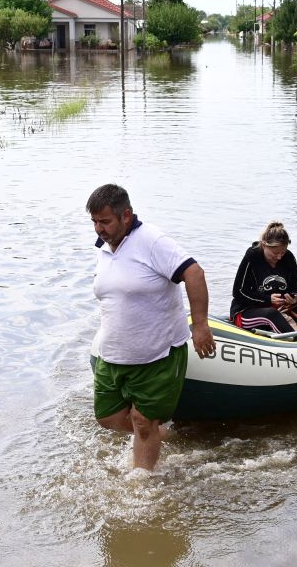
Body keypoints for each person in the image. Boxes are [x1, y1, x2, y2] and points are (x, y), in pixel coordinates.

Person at [87, 184, 214, 471]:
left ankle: (142, 486)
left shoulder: (152, 241)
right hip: (114, 355)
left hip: (157, 354)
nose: (99, 229)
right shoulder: (105, 249)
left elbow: (194, 273)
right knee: (106, 417)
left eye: (105, 221)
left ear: (126, 216)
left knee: (143, 422)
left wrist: (201, 325)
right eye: (94, 222)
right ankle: (157, 434)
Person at [229, 221, 297, 333]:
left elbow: (296, 288)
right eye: (275, 253)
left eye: (283, 252)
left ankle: (275, 329)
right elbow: (238, 292)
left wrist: (294, 299)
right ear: (264, 245)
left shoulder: (289, 258)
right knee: (271, 314)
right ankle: (294, 341)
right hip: (246, 311)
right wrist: (267, 299)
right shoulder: (252, 257)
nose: (279, 257)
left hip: (279, 310)